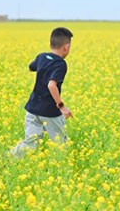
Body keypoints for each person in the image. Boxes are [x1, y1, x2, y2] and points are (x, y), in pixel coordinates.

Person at [12, 27, 74, 156]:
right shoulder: (60, 64)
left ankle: (9, 158)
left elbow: (31, 67)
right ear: (66, 47)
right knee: (60, 145)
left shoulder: (41, 57)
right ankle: (61, 169)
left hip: (33, 108)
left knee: (30, 143)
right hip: (50, 111)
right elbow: (52, 85)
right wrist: (62, 106)